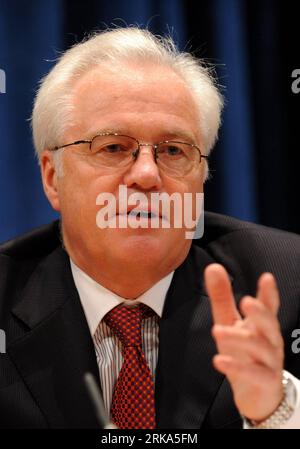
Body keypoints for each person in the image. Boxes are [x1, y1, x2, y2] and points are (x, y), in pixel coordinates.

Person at [0, 27, 299, 429]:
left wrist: (273, 412)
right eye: (112, 147)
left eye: (174, 150)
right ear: (53, 177)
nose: (146, 174)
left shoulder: (289, 284)